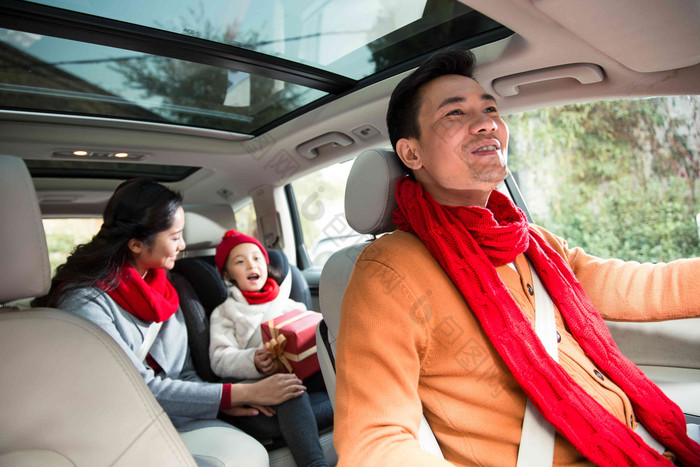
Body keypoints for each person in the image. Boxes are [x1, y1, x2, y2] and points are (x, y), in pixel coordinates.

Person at [333, 48, 700, 467]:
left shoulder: (532, 243)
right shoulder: (387, 272)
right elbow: (374, 445)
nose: (487, 122)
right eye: (455, 114)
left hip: (641, 446)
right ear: (412, 154)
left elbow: (641, 287)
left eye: (490, 109)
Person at [37, 178, 306, 467]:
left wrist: (223, 404)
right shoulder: (85, 303)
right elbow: (135, 389)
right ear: (137, 244)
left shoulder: (167, 289)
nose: (183, 245)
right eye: (175, 236)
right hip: (114, 425)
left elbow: (184, 375)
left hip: (172, 417)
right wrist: (240, 392)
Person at [209, 229, 331, 467]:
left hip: (303, 370)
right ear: (227, 274)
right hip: (262, 383)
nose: (250, 265)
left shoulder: (286, 302)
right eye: (240, 262)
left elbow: (309, 327)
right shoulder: (225, 311)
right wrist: (252, 360)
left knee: (338, 365)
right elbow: (219, 359)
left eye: (256, 258)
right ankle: (314, 463)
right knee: (288, 390)